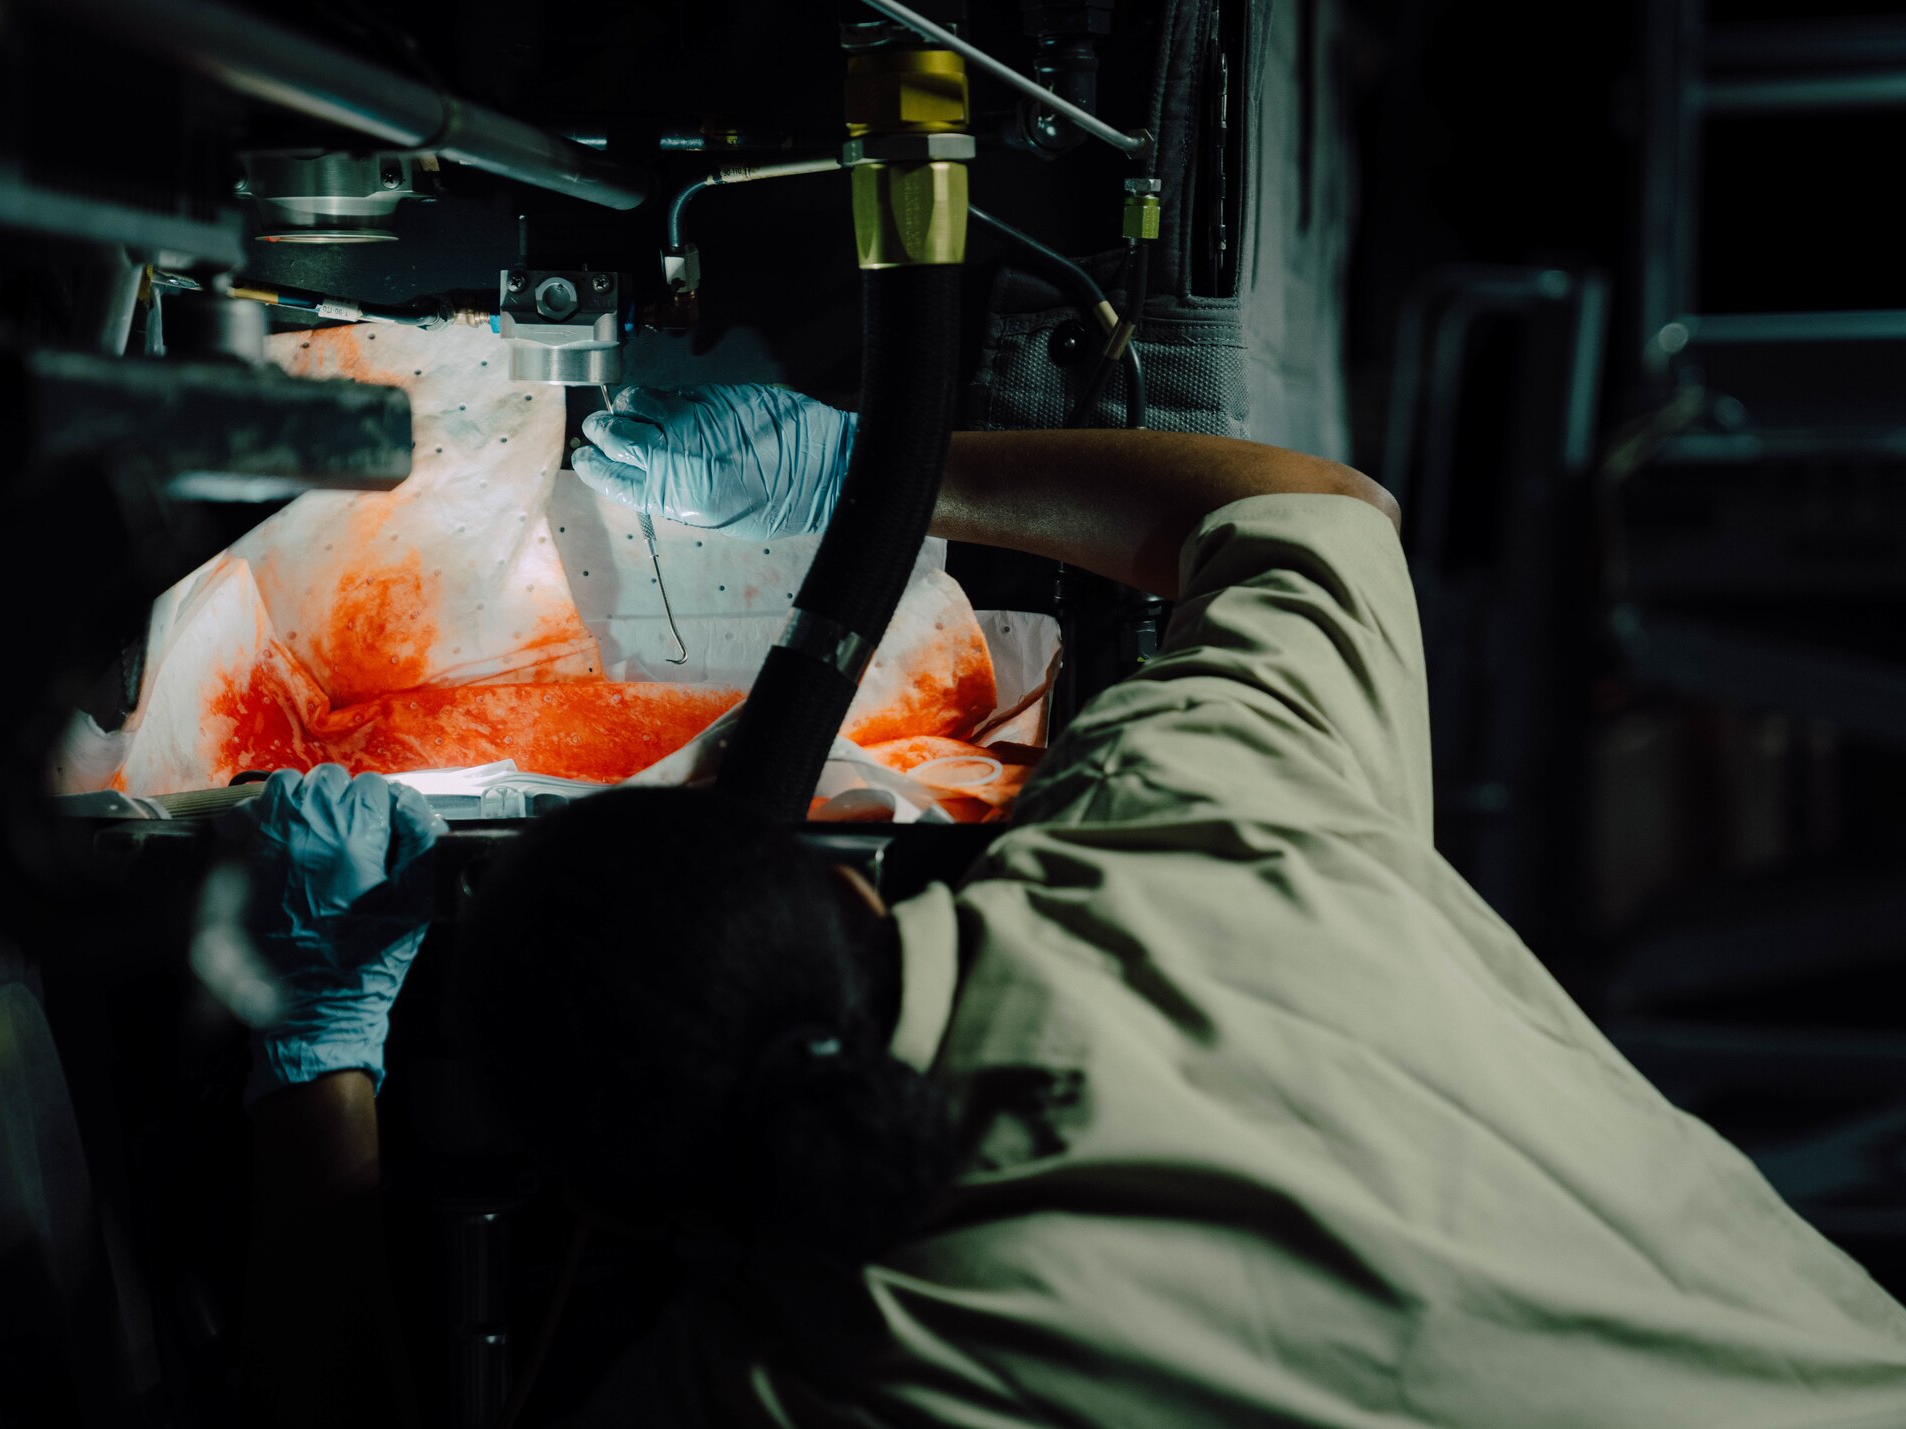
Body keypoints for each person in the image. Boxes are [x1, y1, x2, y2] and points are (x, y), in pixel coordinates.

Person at [241, 386, 1906, 1428]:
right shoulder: (1194, 843)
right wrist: (879, 471)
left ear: (635, 1211)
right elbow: (1314, 514)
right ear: (842, 877)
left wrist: (320, 1053)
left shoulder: (797, 1385)